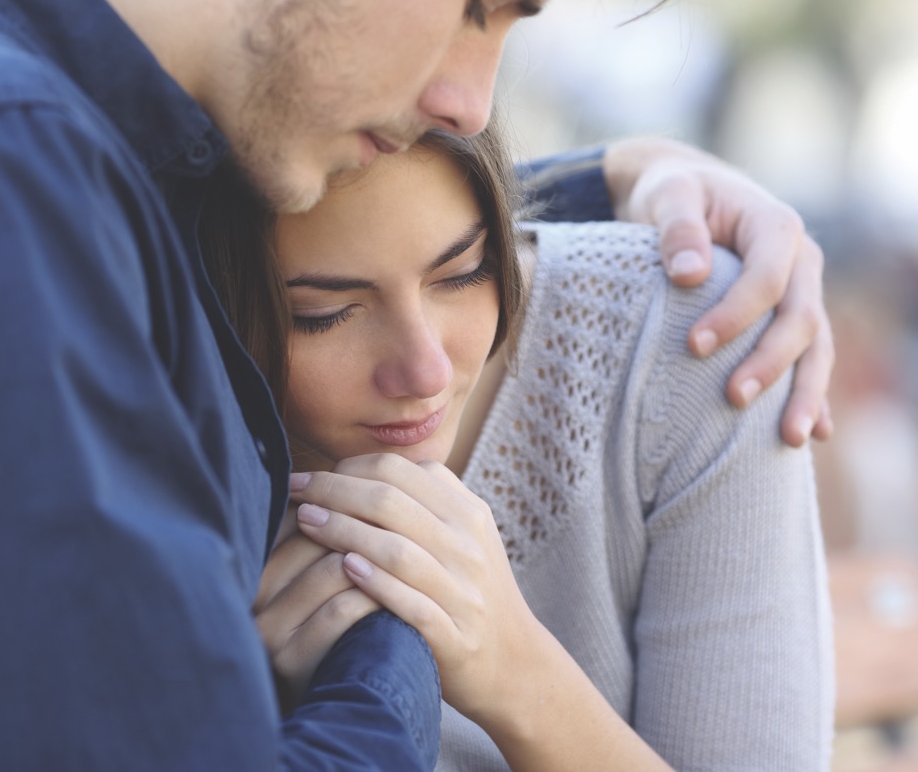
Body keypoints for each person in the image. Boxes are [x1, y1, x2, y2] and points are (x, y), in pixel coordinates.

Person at [0, 0, 831, 768]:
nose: (471, 103)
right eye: (478, 2)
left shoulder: (12, 132)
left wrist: (604, 184)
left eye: (460, 269)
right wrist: (395, 624)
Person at [218, 124, 833, 769]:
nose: (426, 372)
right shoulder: (164, 457)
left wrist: (516, 673)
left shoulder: (689, 344)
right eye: (326, 314)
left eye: (462, 272)